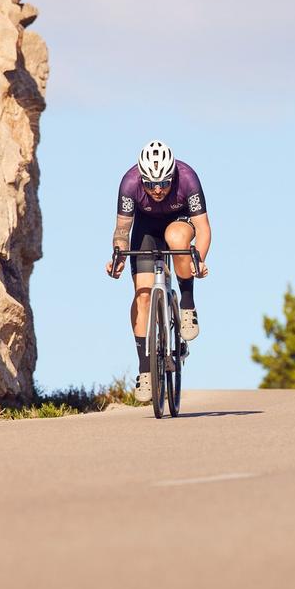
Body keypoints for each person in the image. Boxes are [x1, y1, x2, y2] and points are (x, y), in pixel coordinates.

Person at [104, 141, 210, 402]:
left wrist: (200, 259)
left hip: (180, 222)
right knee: (142, 296)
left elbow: (204, 228)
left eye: (164, 182)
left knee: (176, 238)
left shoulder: (188, 178)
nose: (159, 189)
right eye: (151, 184)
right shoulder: (129, 183)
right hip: (146, 229)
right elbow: (121, 231)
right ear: (142, 178)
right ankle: (145, 369)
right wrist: (117, 255)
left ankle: (187, 305)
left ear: (173, 174)